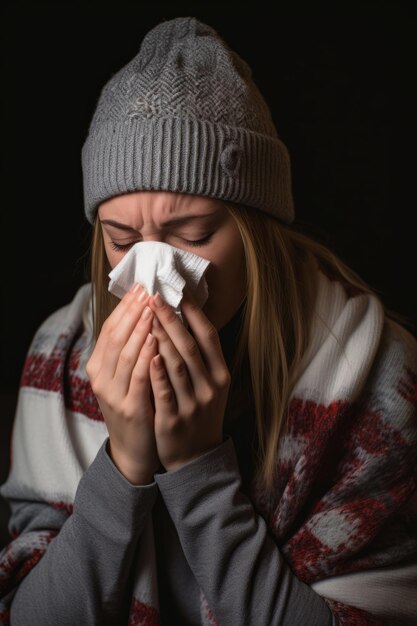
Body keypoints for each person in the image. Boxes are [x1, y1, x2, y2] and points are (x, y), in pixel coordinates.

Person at [0, 15, 416, 626]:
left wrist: (198, 469)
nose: (150, 271)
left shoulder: (380, 378)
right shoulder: (60, 357)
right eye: (121, 240)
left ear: (257, 234)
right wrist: (122, 466)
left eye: (190, 234)